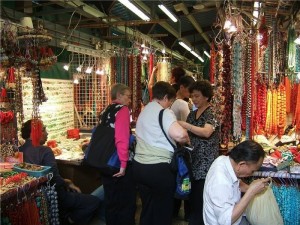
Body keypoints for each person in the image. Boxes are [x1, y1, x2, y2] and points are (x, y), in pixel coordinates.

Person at [19, 119, 100, 225]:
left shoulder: (20, 149)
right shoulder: (45, 151)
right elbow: (54, 179)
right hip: (51, 195)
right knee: (94, 201)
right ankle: (71, 220)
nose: (47, 133)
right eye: (43, 130)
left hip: (31, 196)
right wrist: (68, 182)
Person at [133, 81, 190, 225]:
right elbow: (180, 135)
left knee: (148, 207)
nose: (170, 105)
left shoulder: (144, 111)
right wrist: (186, 138)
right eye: (170, 102)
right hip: (158, 169)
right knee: (163, 210)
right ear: (165, 98)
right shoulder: (164, 112)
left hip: (139, 166)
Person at [178, 80, 219, 225]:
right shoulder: (192, 114)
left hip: (206, 164)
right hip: (192, 161)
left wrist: (186, 126)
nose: (194, 99)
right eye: (192, 96)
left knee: (203, 199)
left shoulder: (213, 112)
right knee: (193, 199)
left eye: (197, 96)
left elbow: (207, 132)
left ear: (206, 97)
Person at [203, 140, 271, 225]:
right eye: (252, 171)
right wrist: (251, 192)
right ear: (241, 165)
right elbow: (225, 221)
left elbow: (236, 182)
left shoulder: (224, 160)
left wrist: (251, 188)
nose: (252, 174)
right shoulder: (220, 181)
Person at [97, 83, 137, 225]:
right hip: (118, 164)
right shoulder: (123, 110)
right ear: (119, 95)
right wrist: (123, 164)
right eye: (128, 96)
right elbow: (121, 139)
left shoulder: (106, 110)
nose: (130, 99)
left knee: (111, 201)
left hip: (105, 161)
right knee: (126, 203)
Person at [170, 75, 195, 221]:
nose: (191, 95)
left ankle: (173, 211)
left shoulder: (172, 103)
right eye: (190, 91)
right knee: (185, 178)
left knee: (177, 179)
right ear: (182, 88)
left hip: (174, 146)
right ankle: (188, 213)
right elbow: (188, 125)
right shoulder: (182, 104)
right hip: (183, 146)